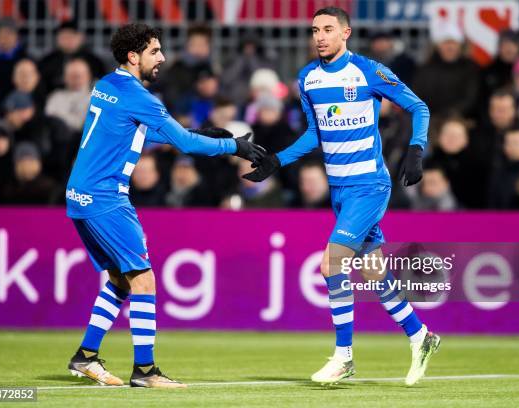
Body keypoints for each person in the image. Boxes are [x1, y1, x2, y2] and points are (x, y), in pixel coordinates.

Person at [243, 7, 439, 386]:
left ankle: (344, 356)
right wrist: (277, 160)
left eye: (328, 29)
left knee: (331, 265)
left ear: (345, 33)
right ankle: (421, 336)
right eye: (315, 30)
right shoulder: (307, 79)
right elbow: (315, 133)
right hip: (340, 191)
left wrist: (417, 150)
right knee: (371, 270)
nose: (320, 36)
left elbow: (419, 106)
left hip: (369, 186)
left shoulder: (367, 71)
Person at [65, 23, 265, 389]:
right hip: (107, 196)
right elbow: (184, 144)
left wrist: (203, 135)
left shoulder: (107, 86)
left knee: (119, 280)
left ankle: (85, 357)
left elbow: (141, 131)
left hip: (80, 195)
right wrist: (234, 147)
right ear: (133, 56)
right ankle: (145, 371)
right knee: (143, 279)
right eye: (155, 51)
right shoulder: (140, 98)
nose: (162, 58)